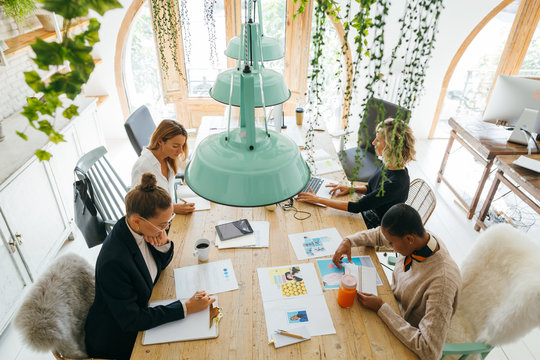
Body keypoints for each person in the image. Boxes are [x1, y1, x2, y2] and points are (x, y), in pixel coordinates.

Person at [85, 173, 214, 360]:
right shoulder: (114, 262)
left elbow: (157, 268)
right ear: (137, 220)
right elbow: (132, 319)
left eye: (168, 223)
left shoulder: (140, 230)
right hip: (119, 337)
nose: (165, 228)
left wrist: (163, 245)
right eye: (162, 225)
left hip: (146, 305)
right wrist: (185, 307)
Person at [332, 204, 461, 360]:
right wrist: (348, 241)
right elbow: (380, 235)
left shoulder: (442, 283)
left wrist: (381, 307)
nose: (389, 245)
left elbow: (429, 351)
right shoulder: (420, 240)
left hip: (407, 334)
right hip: (392, 307)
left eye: (391, 243)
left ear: (409, 239)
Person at [297, 118, 416, 228]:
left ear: (390, 147)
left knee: (326, 220)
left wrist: (318, 199)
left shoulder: (396, 183)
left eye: (378, 140)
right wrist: (351, 188)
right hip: (369, 210)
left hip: (378, 226)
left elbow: (356, 207)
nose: (373, 143)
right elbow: (371, 188)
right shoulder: (389, 165)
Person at [131, 119, 195, 214]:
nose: (180, 151)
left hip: (168, 215)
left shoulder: (169, 156)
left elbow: (190, 166)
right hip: (154, 223)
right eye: (175, 146)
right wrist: (172, 209)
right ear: (160, 141)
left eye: (182, 145)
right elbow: (139, 208)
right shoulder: (143, 167)